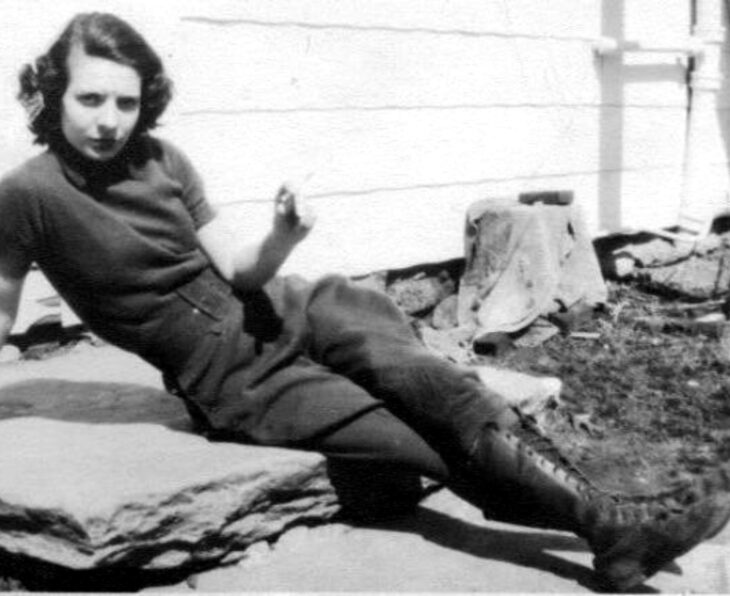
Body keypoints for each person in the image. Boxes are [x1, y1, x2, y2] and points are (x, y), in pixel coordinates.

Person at [0, 12, 728, 591]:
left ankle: (618, 522)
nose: (109, 120)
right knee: (414, 441)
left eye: (126, 101)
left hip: (288, 307)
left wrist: (284, 235)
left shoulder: (165, 160)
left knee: (435, 385)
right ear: (52, 94)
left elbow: (240, 270)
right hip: (230, 377)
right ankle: (614, 527)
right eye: (89, 98)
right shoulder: (27, 196)